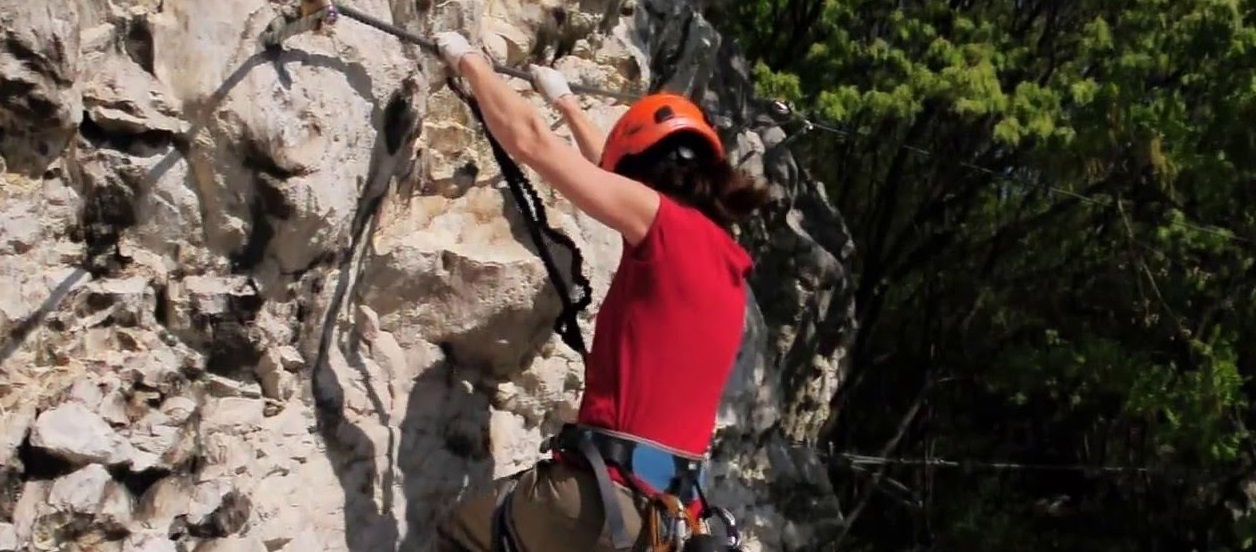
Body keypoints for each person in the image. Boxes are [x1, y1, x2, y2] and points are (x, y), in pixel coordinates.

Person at [431, 30, 768, 552]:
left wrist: (469, 62)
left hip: (594, 500)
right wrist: (564, 100)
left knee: (466, 534)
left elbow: (533, 145)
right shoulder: (724, 261)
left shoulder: (658, 221)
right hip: (671, 519)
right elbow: (610, 173)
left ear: (643, 176)